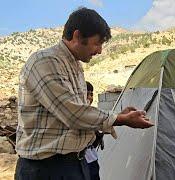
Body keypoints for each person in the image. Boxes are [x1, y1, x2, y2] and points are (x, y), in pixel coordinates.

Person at [15, 7, 153, 180]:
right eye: (97, 43)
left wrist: (116, 116)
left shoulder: (75, 66)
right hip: (46, 169)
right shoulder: (45, 61)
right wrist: (119, 119)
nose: (100, 50)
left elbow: (81, 114)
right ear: (77, 36)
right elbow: (73, 114)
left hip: (75, 163)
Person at [84, 81, 102, 180]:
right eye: (87, 94)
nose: (90, 97)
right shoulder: (75, 116)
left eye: (91, 94)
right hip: (83, 162)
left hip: (92, 159)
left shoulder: (92, 113)